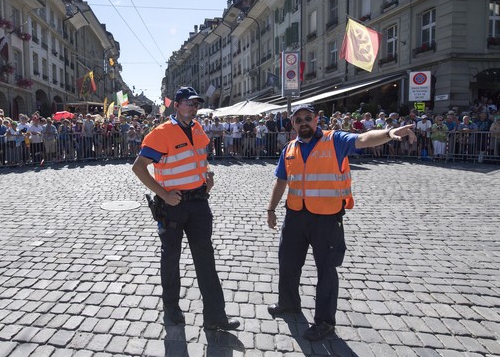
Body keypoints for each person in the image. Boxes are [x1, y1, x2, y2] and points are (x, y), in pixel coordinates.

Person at [265, 103, 416, 342]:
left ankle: (324, 322)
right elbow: (281, 181)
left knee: (326, 270)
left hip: (326, 217)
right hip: (295, 215)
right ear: (292, 124)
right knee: (288, 262)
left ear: (316, 120)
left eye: (308, 118)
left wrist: (388, 134)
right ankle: (288, 303)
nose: (303, 122)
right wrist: (271, 208)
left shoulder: (334, 140)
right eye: (298, 119)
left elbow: (364, 138)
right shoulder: (289, 148)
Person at [131, 87, 240, 331]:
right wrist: (164, 194)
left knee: (206, 260)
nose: (193, 108)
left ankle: (215, 317)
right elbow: (138, 167)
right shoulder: (161, 133)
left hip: (200, 203)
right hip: (173, 205)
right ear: (177, 105)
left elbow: (200, 158)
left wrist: (207, 178)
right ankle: (172, 309)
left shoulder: (198, 128)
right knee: (171, 259)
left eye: (196, 104)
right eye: (189, 103)